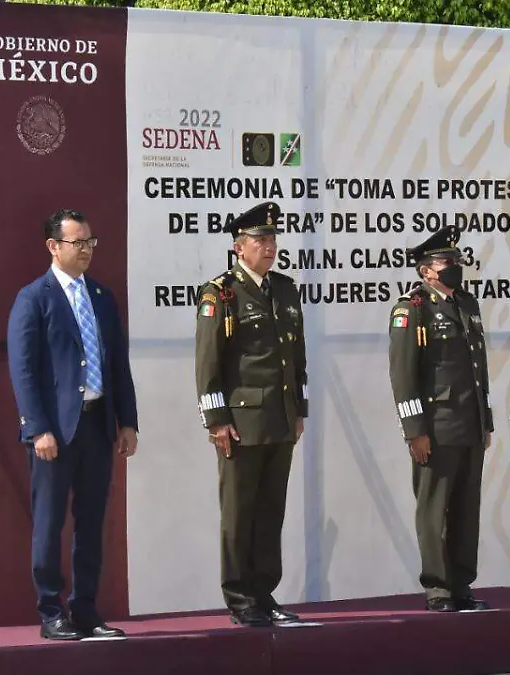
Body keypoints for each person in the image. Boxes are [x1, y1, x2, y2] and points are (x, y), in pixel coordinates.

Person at [6, 208, 140, 640]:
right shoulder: (34, 298)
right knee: (49, 523)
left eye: (90, 242)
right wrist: (37, 427)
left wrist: (128, 422)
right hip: (55, 433)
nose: (86, 251)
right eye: (77, 243)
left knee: (91, 521)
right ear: (53, 246)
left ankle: (86, 609)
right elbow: (23, 370)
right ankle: (51, 611)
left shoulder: (101, 296)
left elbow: (118, 363)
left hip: (97, 425)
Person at [195, 201, 308, 627]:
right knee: (239, 513)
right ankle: (240, 597)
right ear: (239, 247)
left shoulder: (283, 288)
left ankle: (265, 593)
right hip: (241, 423)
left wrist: (299, 409)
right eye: (260, 240)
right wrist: (216, 420)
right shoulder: (220, 293)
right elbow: (208, 364)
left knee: (269, 511)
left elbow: (296, 355)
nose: (269, 246)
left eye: (272, 239)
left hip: (280, 419)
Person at [387, 225, 493, 613]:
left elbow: (477, 368)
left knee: (466, 509)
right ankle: (437, 589)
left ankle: (461, 584)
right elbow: (403, 376)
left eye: (455, 261)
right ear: (425, 271)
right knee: (434, 510)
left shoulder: (467, 304)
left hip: (470, 423)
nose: (454, 267)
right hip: (436, 426)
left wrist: (487, 421)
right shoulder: (412, 309)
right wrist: (415, 431)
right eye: (446, 262)